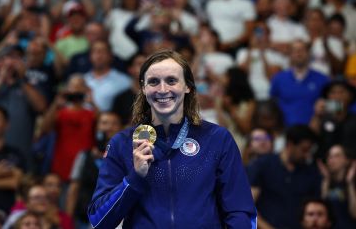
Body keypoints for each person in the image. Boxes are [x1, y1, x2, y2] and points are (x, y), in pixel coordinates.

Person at [88, 50, 256, 228]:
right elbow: (99, 220)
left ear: (187, 86)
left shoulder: (217, 139)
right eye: (153, 82)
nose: (162, 89)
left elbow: (239, 210)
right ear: (143, 88)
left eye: (171, 80)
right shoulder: (122, 143)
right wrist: (134, 178)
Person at [247, 124, 321, 229]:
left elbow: (314, 210)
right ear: (290, 145)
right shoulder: (263, 165)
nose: (307, 155)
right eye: (304, 150)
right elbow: (248, 205)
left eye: (309, 151)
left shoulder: (311, 172)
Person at [270, 39, 330, 126]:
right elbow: (271, 103)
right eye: (294, 50)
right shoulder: (279, 79)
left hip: (313, 131)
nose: (298, 53)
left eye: (302, 50)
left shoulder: (322, 79)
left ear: (309, 53)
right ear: (289, 55)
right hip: (286, 130)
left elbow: (339, 106)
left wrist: (326, 106)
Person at [317, 145, 356, 228]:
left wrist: (350, 183)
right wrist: (326, 181)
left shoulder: (351, 183)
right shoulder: (323, 181)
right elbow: (321, 210)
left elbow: (354, 213)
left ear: (346, 160)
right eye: (330, 156)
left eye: (336, 156)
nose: (331, 159)